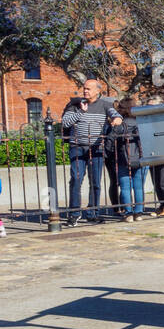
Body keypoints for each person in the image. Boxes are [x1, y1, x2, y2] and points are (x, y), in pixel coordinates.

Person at [61, 78, 121, 226]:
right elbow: (65, 122)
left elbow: (116, 114)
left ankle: (93, 212)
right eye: (84, 88)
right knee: (76, 179)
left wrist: (117, 119)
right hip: (77, 147)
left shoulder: (105, 105)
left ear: (97, 91)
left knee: (95, 182)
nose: (85, 91)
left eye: (88, 88)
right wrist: (81, 112)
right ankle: (74, 213)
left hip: (96, 149)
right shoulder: (75, 104)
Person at [106, 101, 146, 221]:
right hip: (139, 158)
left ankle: (128, 213)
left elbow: (109, 141)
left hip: (123, 159)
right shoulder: (140, 124)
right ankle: (138, 213)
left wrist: (110, 153)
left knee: (125, 187)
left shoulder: (121, 125)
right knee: (138, 187)